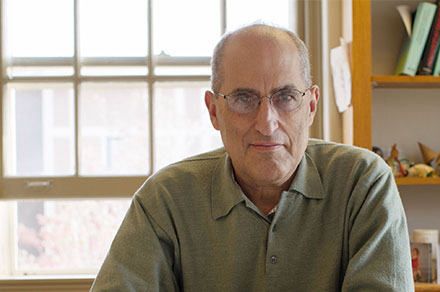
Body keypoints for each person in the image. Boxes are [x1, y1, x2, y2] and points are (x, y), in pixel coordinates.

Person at [90, 24, 413, 291]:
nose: (267, 123)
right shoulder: (165, 199)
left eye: (286, 97)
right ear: (214, 111)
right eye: (244, 99)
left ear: (311, 106)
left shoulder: (363, 184)